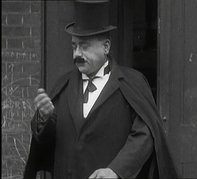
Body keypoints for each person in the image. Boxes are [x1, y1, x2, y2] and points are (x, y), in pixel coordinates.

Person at [24, 0, 179, 179]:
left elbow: (144, 134)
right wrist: (44, 119)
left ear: (106, 46)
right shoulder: (63, 85)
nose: (77, 54)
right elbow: (46, 144)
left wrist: (116, 170)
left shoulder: (131, 83)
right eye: (74, 46)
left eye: (84, 46)